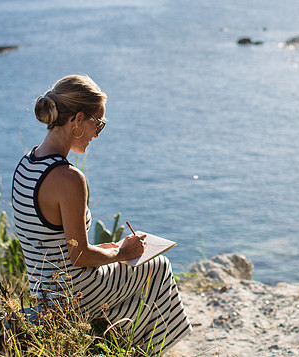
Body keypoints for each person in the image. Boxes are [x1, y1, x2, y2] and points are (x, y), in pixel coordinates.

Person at [12, 74, 190, 351]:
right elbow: (79, 255)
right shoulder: (68, 178)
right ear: (77, 119)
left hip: (43, 291)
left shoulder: (26, 164)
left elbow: (54, 242)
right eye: (98, 123)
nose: (97, 133)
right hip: (72, 293)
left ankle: (114, 341)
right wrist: (121, 253)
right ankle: (145, 349)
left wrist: (105, 251)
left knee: (136, 274)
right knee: (157, 268)